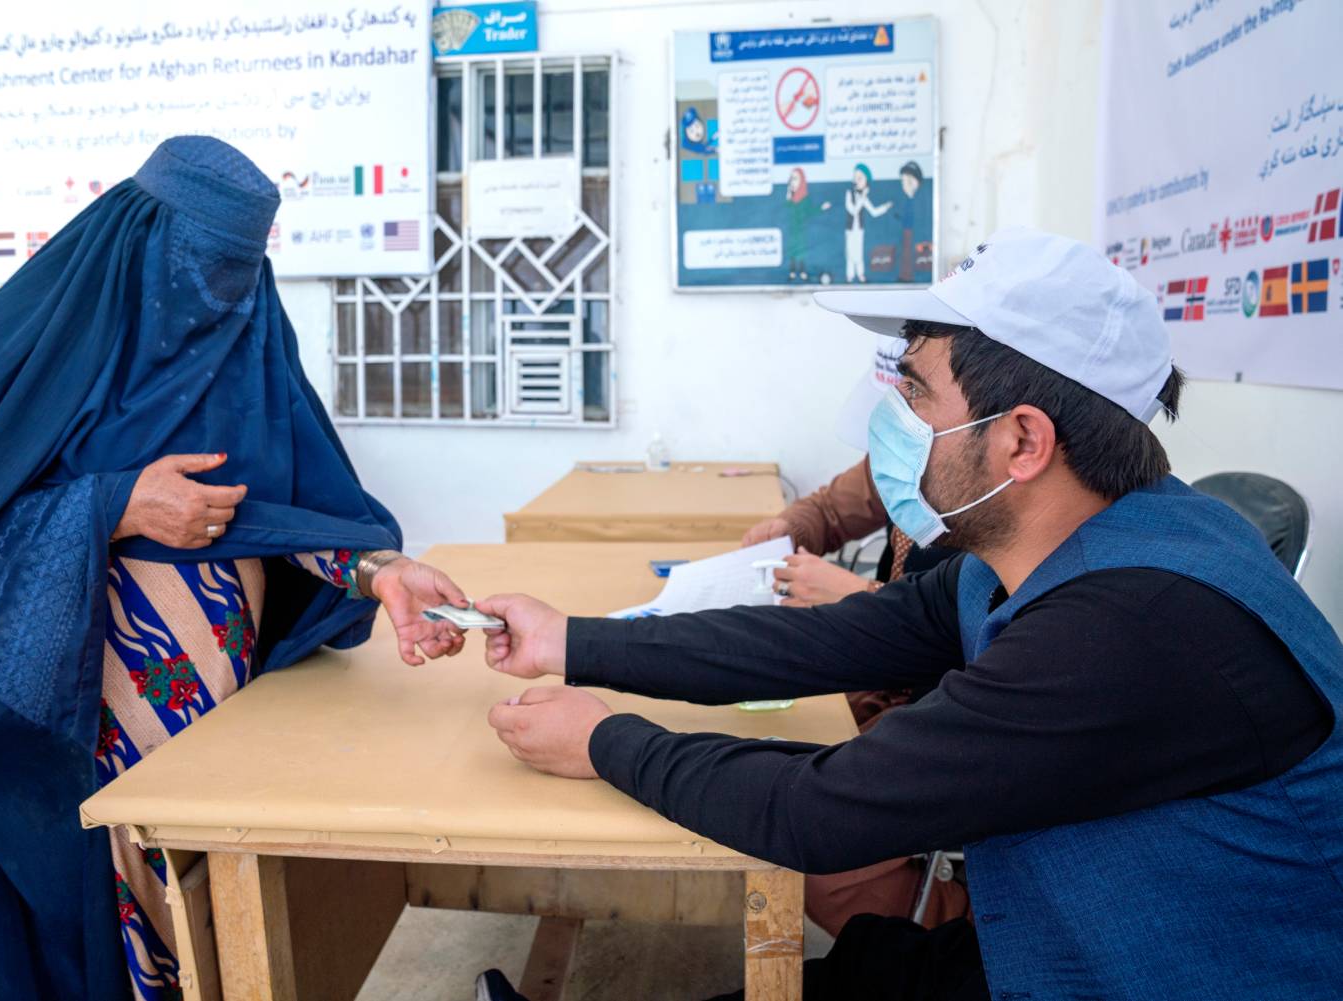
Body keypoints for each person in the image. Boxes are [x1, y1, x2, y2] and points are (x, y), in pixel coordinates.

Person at [473, 229, 1343, 1000]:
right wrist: (570, 640)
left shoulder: (1130, 628)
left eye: (918, 393)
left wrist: (602, 740)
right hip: (1084, 926)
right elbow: (824, 640)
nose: (892, 418)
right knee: (865, 969)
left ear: (1024, 441)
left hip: (1168, 968)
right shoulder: (1059, 541)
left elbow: (818, 812)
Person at [0, 137, 471, 1001]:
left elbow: (286, 502)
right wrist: (112, 506)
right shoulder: (5, 355)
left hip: (224, 724)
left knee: (224, 930)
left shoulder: (249, 342)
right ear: (139, 241)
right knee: (107, 937)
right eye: (202, 264)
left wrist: (380, 569)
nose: (216, 293)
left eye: (241, 267)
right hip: (75, 735)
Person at [742, 459, 969, 934]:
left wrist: (865, 596)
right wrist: (789, 527)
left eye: (917, 390)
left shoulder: (1000, 476)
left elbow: (1010, 618)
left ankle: (966, 939)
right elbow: (830, 508)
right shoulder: (913, 447)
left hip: (958, 698)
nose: (903, 405)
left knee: (826, 856)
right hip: (893, 672)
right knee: (767, 725)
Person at [843, 163, 891, 283]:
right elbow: (853, 210)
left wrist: (885, 207)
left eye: (860, 178)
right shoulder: (849, 194)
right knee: (850, 254)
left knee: (858, 253)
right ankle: (850, 276)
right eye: (855, 178)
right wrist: (863, 196)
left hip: (859, 229)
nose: (857, 181)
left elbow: (873, 212)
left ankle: (860, 274)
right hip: (849, 230)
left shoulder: (862, 196)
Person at [896, 161, 924, 283]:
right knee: (905, 254)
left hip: (915, 233)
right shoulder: (906, 199)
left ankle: (910, 275)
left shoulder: (922, 199)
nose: (906, 185)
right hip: (906, 231)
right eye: (904, 181)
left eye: (910, 181)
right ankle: (905, 275)